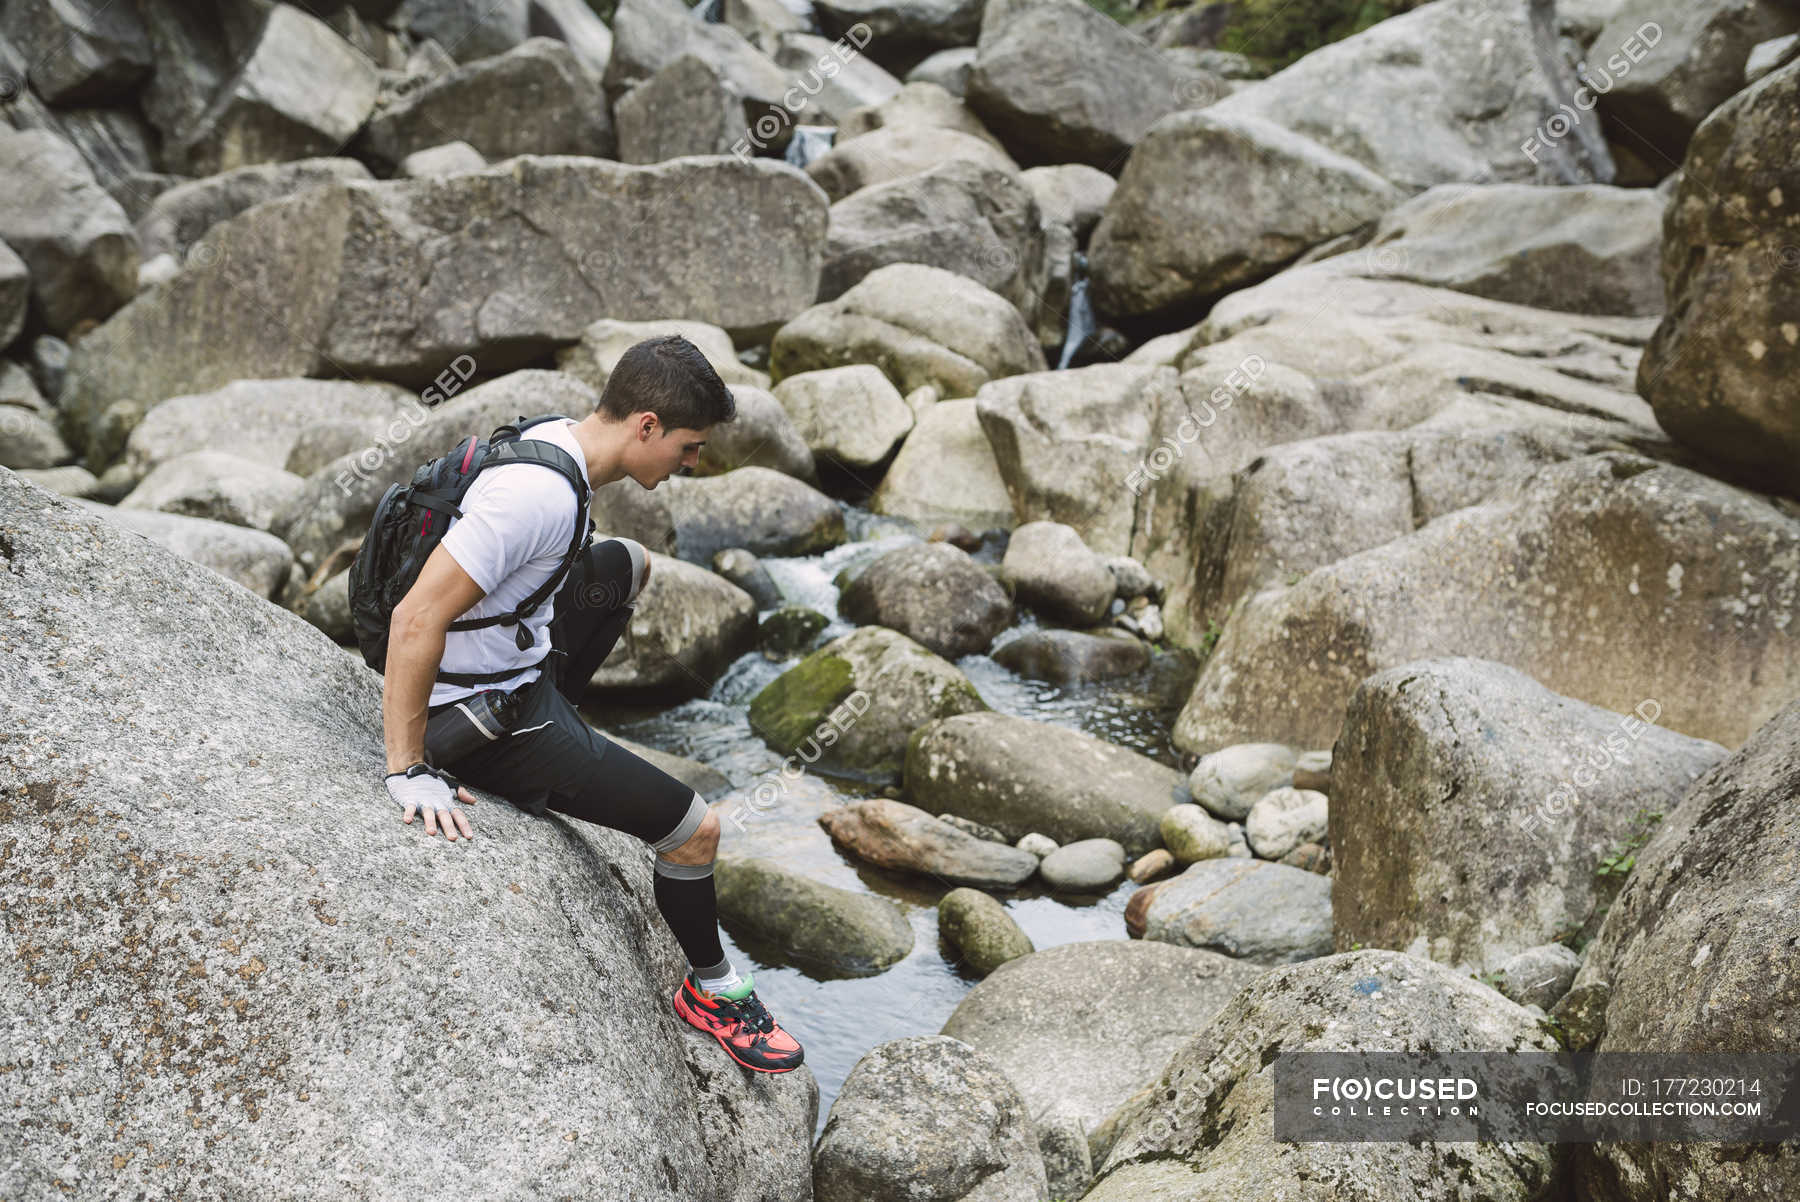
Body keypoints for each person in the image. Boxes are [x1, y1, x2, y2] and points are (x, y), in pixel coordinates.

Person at [378, 334, 804, 1074]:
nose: (692, 464)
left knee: (626, 565)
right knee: (695, 832)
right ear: (646, 427)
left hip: (517, 666)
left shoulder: (555, 439)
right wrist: (408, 767)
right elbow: (415, 619)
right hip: (482, 715)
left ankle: (565, 728)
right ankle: (712, 991)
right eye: (690, 447)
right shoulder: (536, 496)